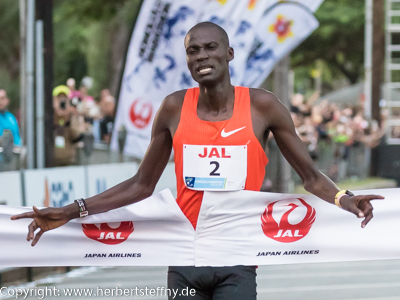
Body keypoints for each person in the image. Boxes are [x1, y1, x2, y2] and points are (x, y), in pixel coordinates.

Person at [12, 22, 383, 299]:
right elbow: (142, 184)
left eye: (210, 48)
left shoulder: (262, 106)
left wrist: (344, 198)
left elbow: (311, 176)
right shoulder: (174, 107)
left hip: (237, 256)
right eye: (193, 51)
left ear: (229, 54)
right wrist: (70, 210)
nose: (202, 56)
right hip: (184, 256)